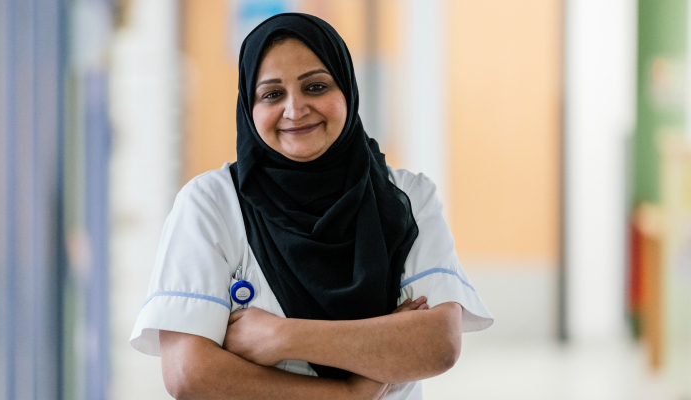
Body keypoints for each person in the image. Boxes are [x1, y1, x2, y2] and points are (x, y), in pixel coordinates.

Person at [130, 13, 493, 400]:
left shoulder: (406, 198)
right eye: (272, 94)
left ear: (347, 91)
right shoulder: (210, 205)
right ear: (249, 109)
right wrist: (350, 393)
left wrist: (280, 336)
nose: (295, 108)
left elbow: (436, 345)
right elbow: (190, 374)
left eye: (316, 86)